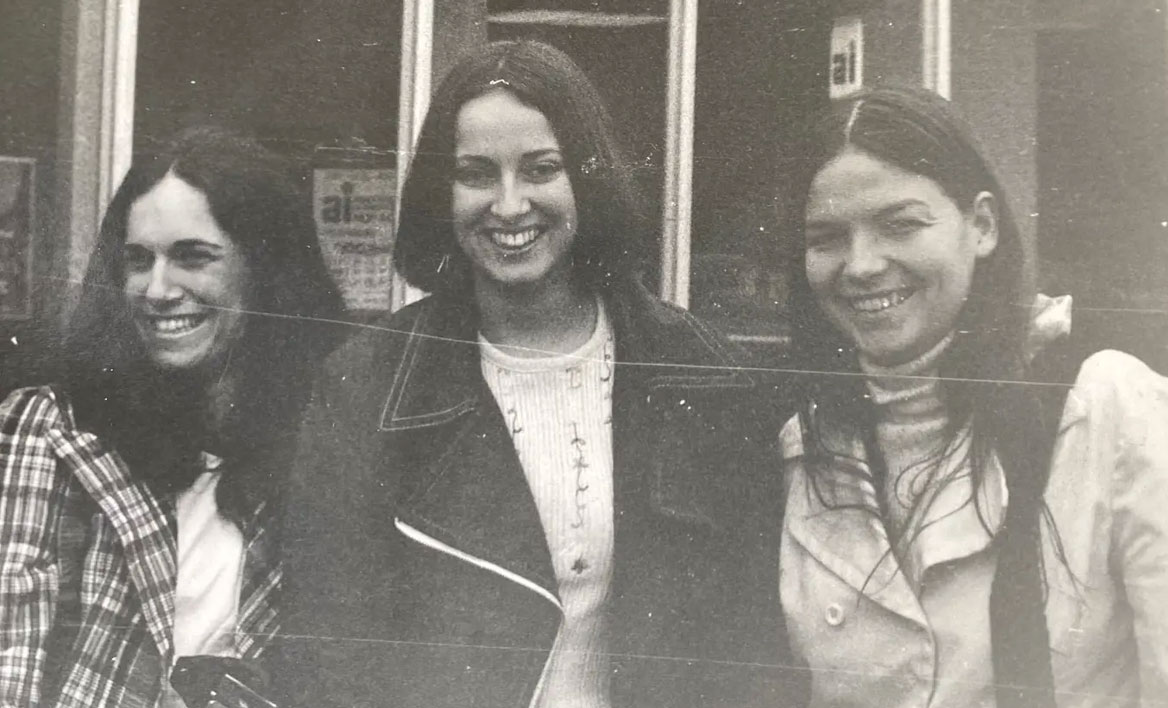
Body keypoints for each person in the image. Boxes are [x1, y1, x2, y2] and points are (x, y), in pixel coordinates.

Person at [275, 40, 797, 708]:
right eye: (476, 174)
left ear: (588, 177)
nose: (510, 204)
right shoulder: (364, 384)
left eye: (541, 169)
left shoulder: (702, 372)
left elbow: (750, 654)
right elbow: (327, 659)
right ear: (442, 190)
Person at [777, 85, 1168, 708]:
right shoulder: (802, 443)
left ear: (981, 226)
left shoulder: (1106, 407)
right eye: (827, 238)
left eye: (899, 225)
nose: (861, 265)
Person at [0, 126, 343, 707]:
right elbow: (12, 660)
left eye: (192, 257)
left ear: (263, 268)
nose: (157, 289)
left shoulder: (330, 438)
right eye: (138, 261)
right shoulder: (51, 429)